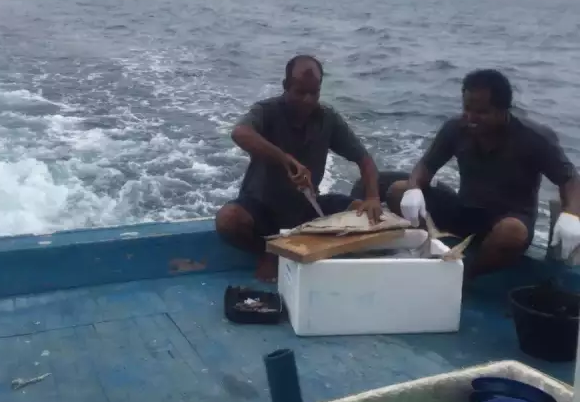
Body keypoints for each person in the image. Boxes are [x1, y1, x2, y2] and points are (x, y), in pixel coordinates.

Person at [386, 69, 580, 278]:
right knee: (398, 190)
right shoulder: (456, 128)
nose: (471, 117)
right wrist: (414, 187)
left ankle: (466, 276)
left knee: (512, 232)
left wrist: (572, 214)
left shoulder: (534, 137)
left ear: (503, 110)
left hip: (508, 219)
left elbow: (569, 179)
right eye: (467, 108)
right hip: (465, 210)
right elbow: (426, 165)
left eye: (482, 112)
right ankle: (430, 253)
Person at [216, 55, 382, 281]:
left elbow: (365, 160)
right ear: (285, 86)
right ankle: (268, 252)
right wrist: (284, 159)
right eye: (300, 92)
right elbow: (240, 133)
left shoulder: (328, 119)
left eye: (314, 93)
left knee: (364, 212)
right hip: (262, 208)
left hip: (306, 208)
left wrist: (372, 197)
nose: (307, 100)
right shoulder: (266, 111)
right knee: (228, 219)